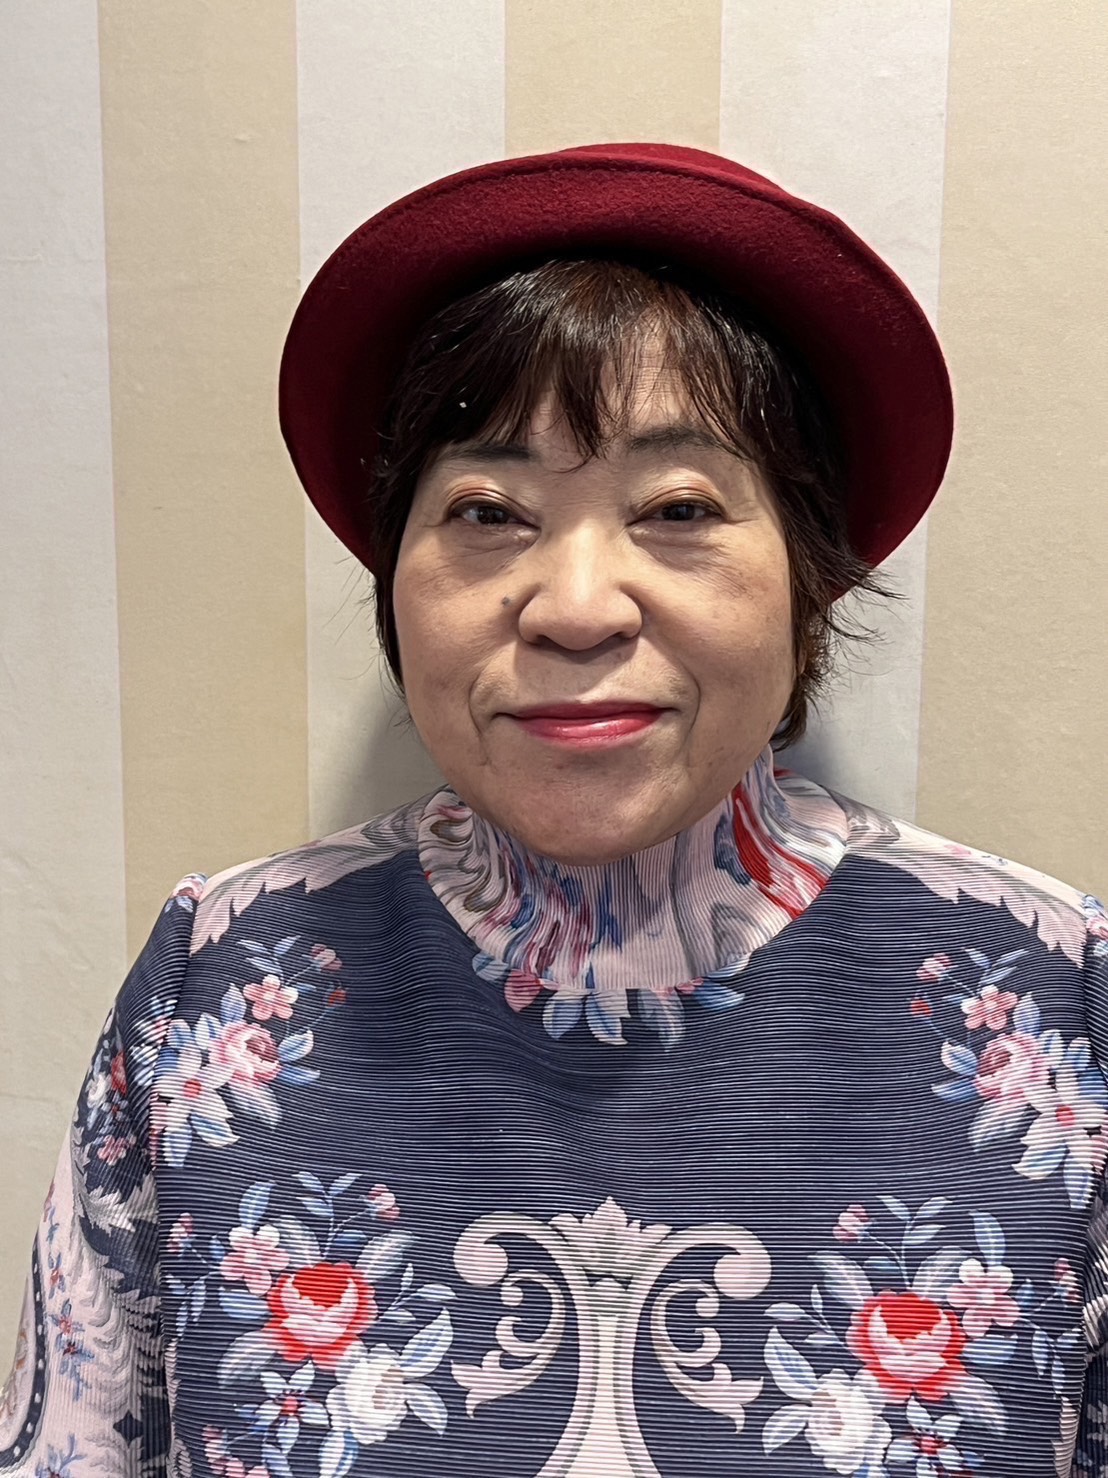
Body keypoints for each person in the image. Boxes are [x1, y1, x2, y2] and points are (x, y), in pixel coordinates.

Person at [1, 141, 1105, 1478]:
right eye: (489, 512)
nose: (577, 607)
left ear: (809, 578)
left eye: (679, 506)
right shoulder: (220, 978)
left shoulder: (1055, 994)